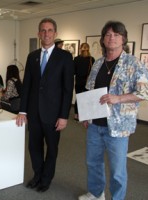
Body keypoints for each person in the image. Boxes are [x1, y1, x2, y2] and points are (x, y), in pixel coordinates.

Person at [78, 21, 148, 200]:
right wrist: (86, 115)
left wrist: (119, 98)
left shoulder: (133, 63)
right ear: (103, 39)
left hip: (119, 127)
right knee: (93, 163)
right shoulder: (98, 63)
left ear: (123, 39)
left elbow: (144, 92)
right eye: (108, 35)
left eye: (116, 35)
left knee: (117, 170)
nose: (112, 38)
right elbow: (90, 91)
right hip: (95, 124)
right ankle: (96, 193)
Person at [16, 18, 74, 192]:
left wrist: (64, 115)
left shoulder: (64, 57)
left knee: (52, 149)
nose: (46, 34)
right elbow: (26, 85)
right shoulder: (32, 56)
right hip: (33, 113)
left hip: (54, 114)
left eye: (50, 30)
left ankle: (46, 179)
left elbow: (67, 88)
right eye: (43, 30)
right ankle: (37, 175)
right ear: (38, 33)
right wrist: (22, 111)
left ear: (55, 33)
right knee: (34, 147)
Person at [73, 43, 95, 120]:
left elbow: (74, 71)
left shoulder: (76, 59)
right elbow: (93, 72)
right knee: (86, 98)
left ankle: (76, 115)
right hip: (87, 82)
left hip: (78, 81)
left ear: (80, 49)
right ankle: (84, 115)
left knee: (78, 98)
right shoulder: (91, 59)